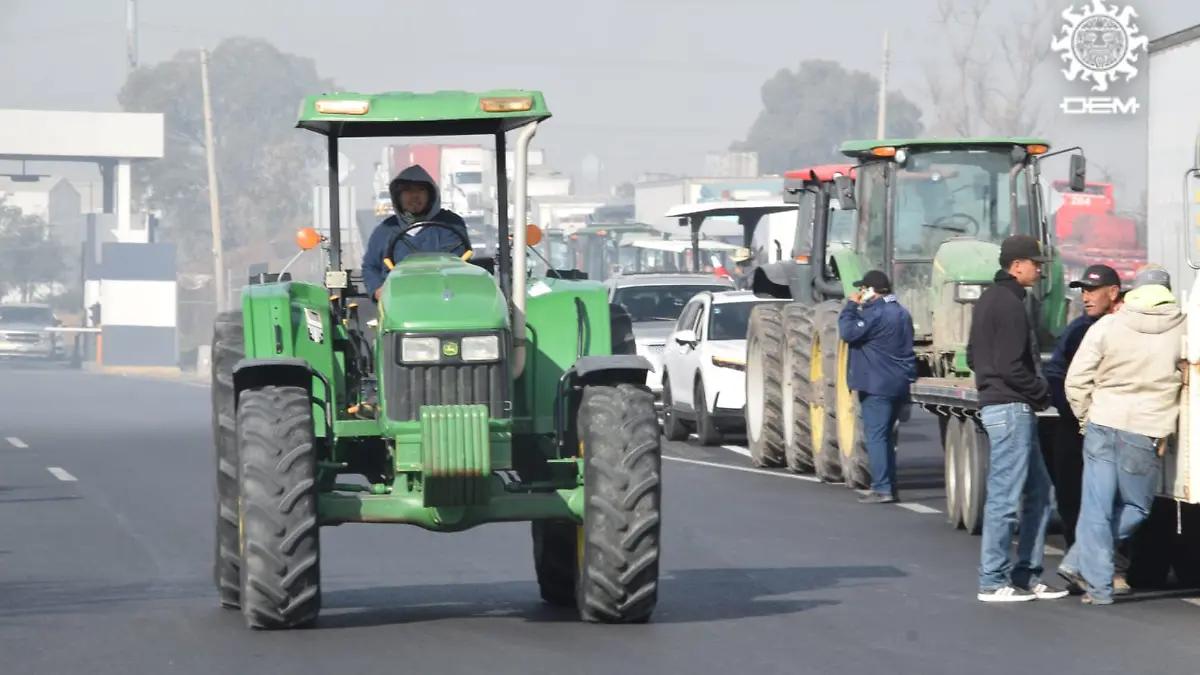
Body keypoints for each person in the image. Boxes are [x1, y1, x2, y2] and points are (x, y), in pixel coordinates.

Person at [1060, 265, 1184, 606]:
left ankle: (1094, 582)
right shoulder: (1183, 328)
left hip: (1102, 421)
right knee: (1136, 506)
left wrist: (1086, 416)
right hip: (1144, 429)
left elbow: (1076, 379)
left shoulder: (1108, 325)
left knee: (1096, 507)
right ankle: (1081, 562)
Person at [967, 234, 1069, 602]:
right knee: (1005, 498)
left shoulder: (988, 300)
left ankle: (1026, 574)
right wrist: (1041, 393)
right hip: (1011, 408)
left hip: (1003, 405)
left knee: (1040, 492)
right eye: (1035, 264)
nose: (1040, 271)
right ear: (1016, 266)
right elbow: (1011, 365)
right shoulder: (1009, 304)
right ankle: (993, 581)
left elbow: (972, 356)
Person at [1044, 264, 1123, 549]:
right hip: (1076, 428)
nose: (1086, 297)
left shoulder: (1127, 327)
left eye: (1092, 290)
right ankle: (1078, 556)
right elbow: (1055, 375)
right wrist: (1076, 416)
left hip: (1117, 428)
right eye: (1083, 291)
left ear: (1113, 292)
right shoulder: (1077, 330)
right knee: (1072, 497)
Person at [838, 270, 917, 504]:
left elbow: (848, 332)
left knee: (876, 437)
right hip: (899, 383)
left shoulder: (875, 314)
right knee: (886, 438)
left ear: (871, 290)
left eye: (862, 289)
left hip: (876, 385)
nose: (859, 293)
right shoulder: (902, 313)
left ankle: (882, 488)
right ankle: (890, 486)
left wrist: (851, 307)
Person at [362, 165, 471, 301]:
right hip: (398, 299)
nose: (414, 196)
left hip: (445, 297)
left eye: (421, 190)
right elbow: (370, 266)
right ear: (398, 196)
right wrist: (377, 290)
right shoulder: (386, 229)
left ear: (431, 195)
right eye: (408, 190)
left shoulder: (450, 224)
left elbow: (457, 264)